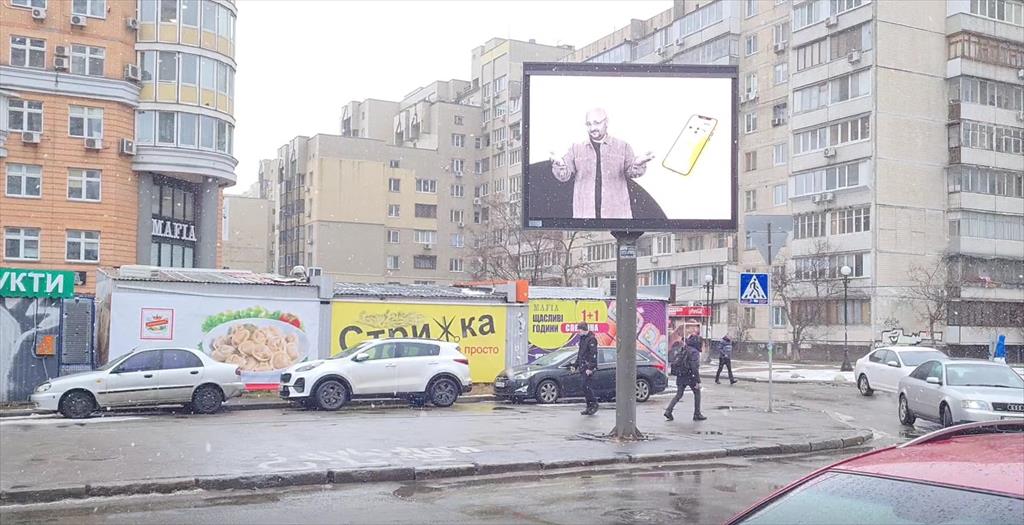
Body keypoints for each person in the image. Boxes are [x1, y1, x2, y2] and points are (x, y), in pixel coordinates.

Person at [550, 108, 656, 219]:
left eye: (597, 123)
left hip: (616, 215)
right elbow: (564, 176)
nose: (592, 128)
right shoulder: (575, 148)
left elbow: (632, 173)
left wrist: (638, 164)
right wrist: (560, 165)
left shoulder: (622, 146)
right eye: (589, 124)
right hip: (585, 215)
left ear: (606, 122)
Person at [665, 334, 707, 421]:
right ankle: (697, 414)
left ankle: (668, 410)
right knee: (697, 393)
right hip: (690, 376)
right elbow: (694, 367)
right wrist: (697, 381)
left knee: (679, 394)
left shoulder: (684, 348)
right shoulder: (694, 352)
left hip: (681, 375)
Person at [571, 321, 599, 415]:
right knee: (584, 387)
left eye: (579, 330)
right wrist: (575, 365)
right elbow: (580, 354)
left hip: (588, 368)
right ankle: (589, 406)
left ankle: (594, 404)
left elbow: (593, 354)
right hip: (583, 367)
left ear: (583, 329)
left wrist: (590, 368)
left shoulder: (591, 339)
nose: (578, 332)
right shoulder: (583, 339)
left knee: (586, 386)